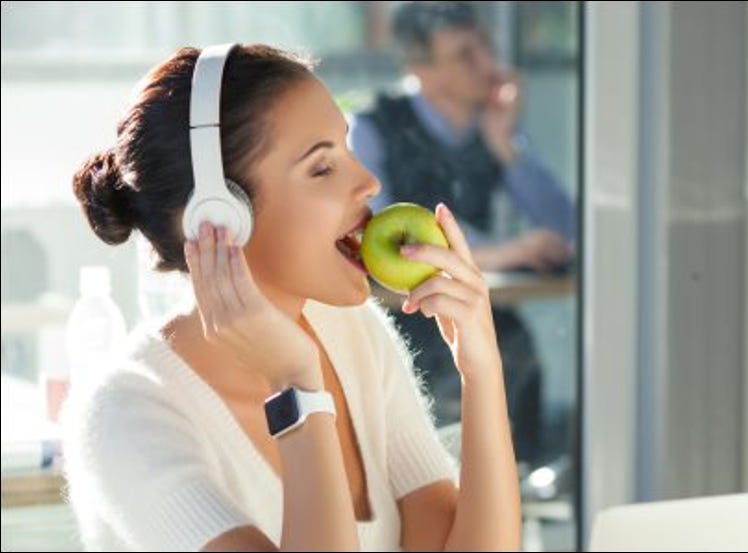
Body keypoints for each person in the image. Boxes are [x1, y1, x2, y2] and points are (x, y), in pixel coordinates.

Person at [62, 44, 519, 551]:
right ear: (220, 218)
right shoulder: (125, 415)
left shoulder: (354, 332)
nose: (369, 182)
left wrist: (481, 369)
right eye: (321, 168)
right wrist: (297, 385)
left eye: (347, 151)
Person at [348, 1, 574, 466]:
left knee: (514, 399)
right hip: (403, 328)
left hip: (480, 323)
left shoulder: (492, 128)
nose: (490, 66)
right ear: (420, 69)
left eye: (486, 47)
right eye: (465, 55)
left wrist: (505, 146)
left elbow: (568, 228)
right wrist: (512, 251)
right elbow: (375, 234)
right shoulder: (371, 129)